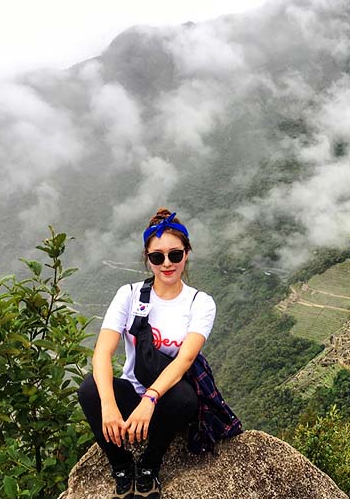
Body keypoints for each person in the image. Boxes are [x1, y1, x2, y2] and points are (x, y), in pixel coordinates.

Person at [78, 209, 229, 499]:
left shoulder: (200, 303)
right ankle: (121, 467)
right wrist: (109, 404)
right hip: (132, 391)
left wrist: (150, 399)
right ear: (147, 259)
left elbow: (185, 359)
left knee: (185, 398)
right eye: (157, 257)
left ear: (187, 253)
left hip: (167, 397)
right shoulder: (130, 295)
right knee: (89, 389)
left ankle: (149, 465)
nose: (167, 263)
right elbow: (102, 353)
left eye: (175, 254)